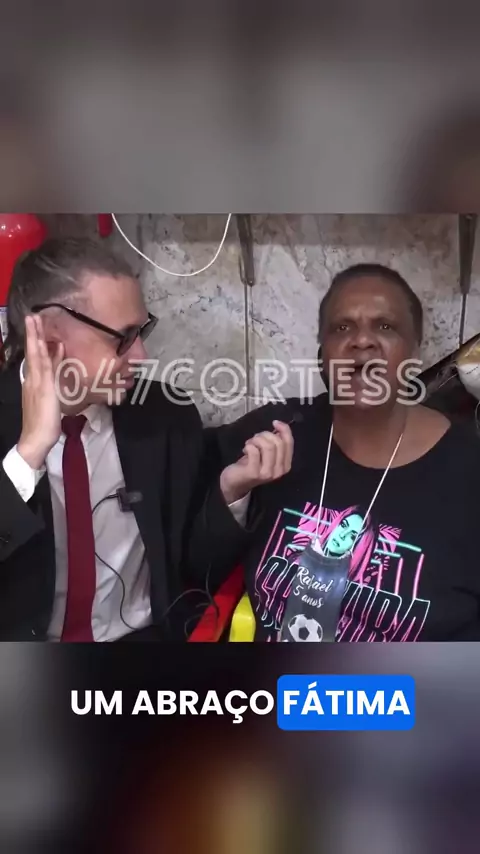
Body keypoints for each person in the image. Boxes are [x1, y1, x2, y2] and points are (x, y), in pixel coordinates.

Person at [0, 237, 293, 642]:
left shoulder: (164, 415)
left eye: (142, 331)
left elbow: (192, 568)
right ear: (50, 342)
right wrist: (28, 456)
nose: (141, 356)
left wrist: (231, 492)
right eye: (122, 338)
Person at [214, 262, 480, 641]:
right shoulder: (277, 431)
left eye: (385, 327)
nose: (362, 340)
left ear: (414, 352)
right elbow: (193, 560)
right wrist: (231, 494)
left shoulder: (468, 473)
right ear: (323, 353)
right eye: (342, 328)